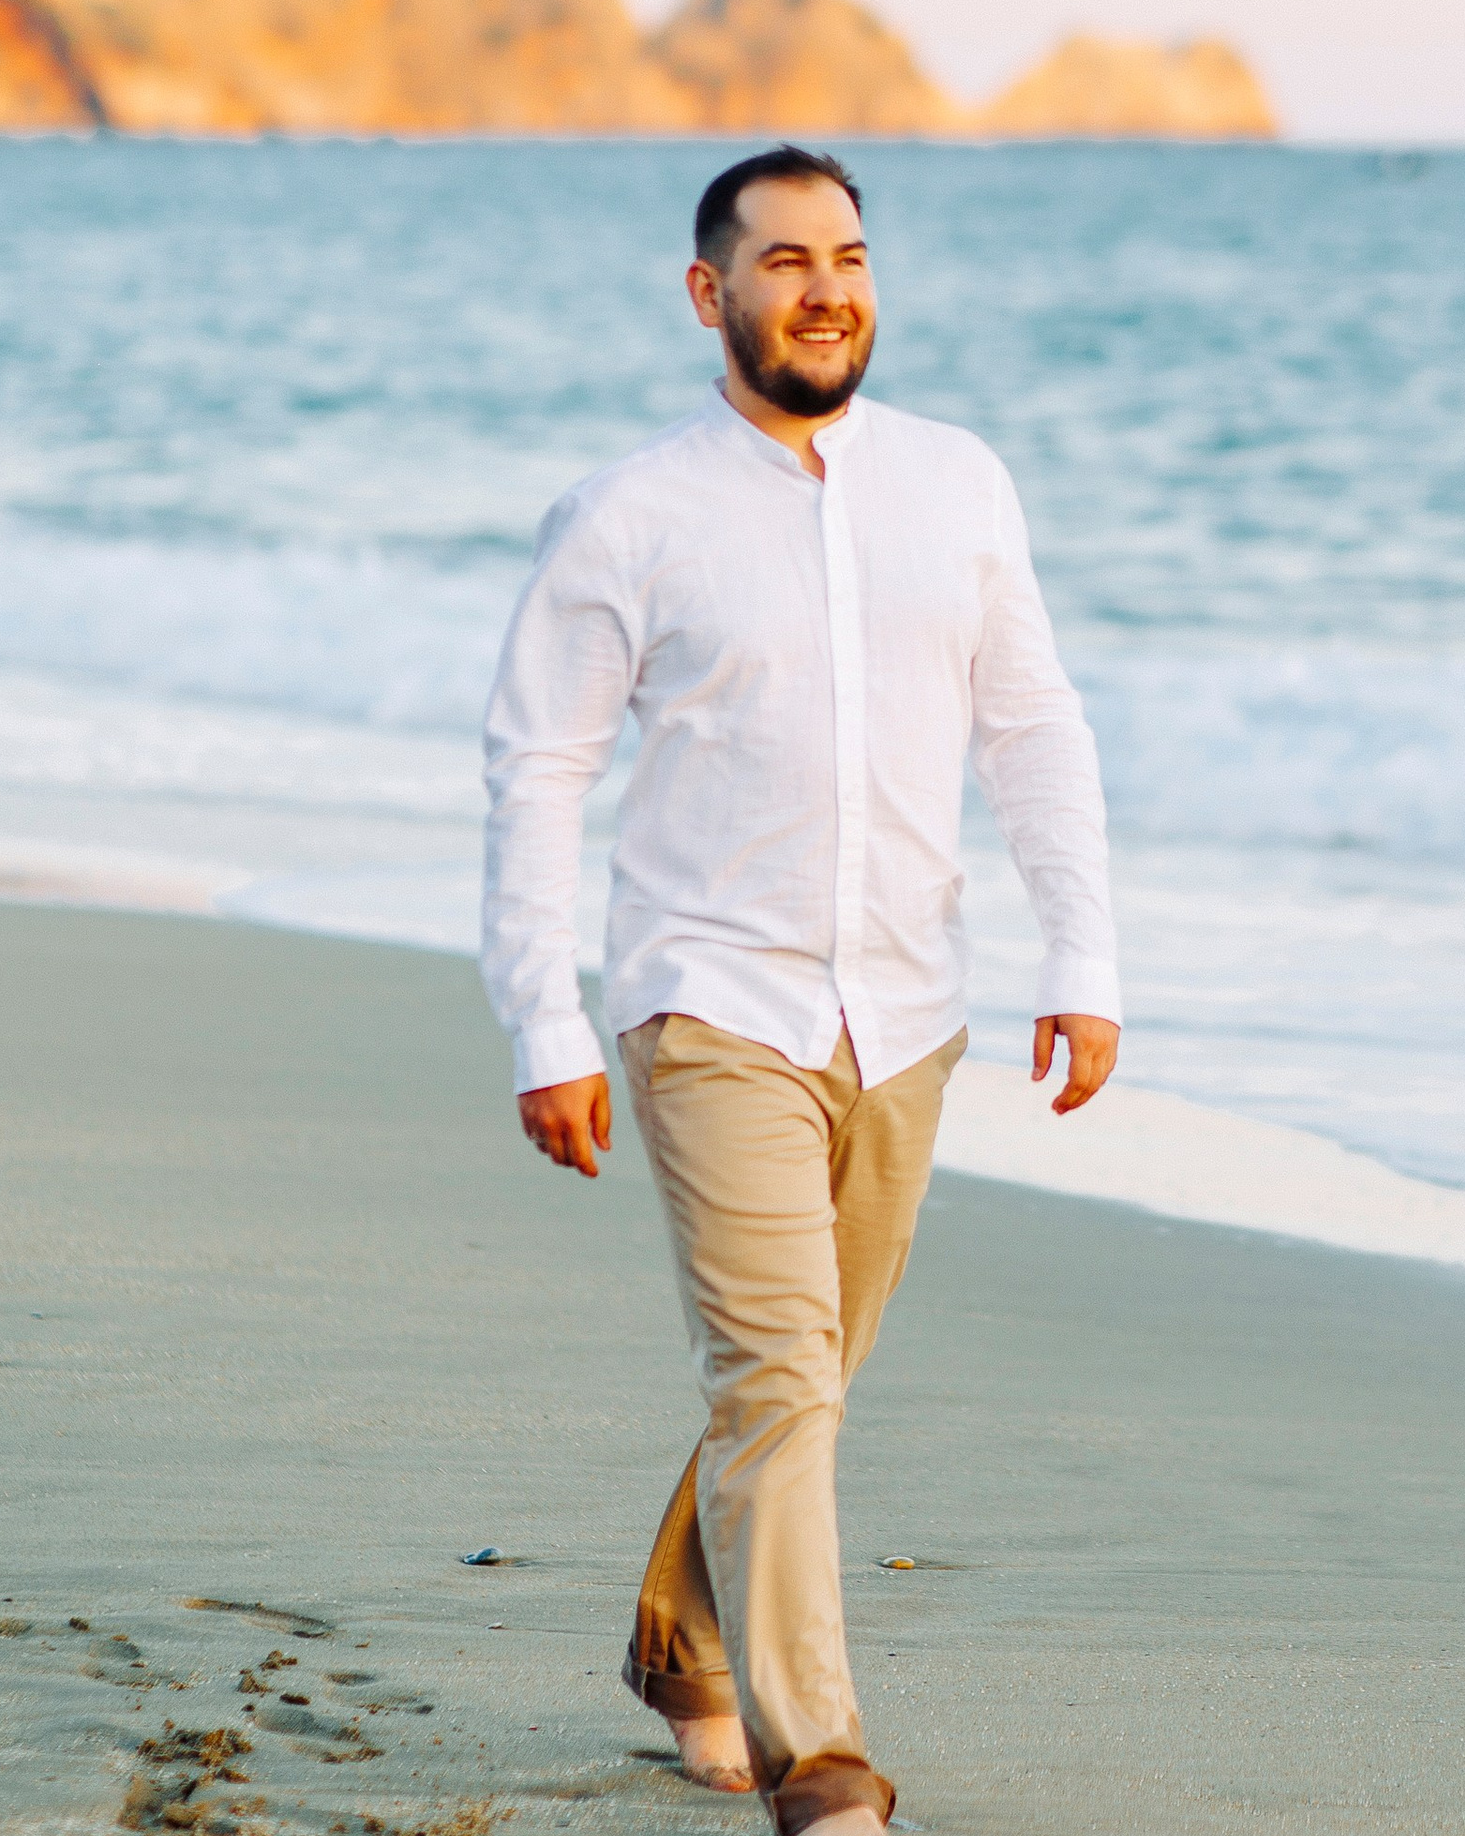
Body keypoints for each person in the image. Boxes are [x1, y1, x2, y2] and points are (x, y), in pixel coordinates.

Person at [481, 144, 1121, 1835]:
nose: (826, 287)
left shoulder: (959, 484)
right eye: (784, 261)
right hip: (711, 1007)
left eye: (848, 255)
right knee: (776, 1376)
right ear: (713, 292)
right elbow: (539, 770)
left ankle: (681, 1642)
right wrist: (545, 1021)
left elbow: (1032, 725)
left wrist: (1087, 958)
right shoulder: (630, 513)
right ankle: (823, 1762)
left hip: (910, 1009)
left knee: (808, 1381)